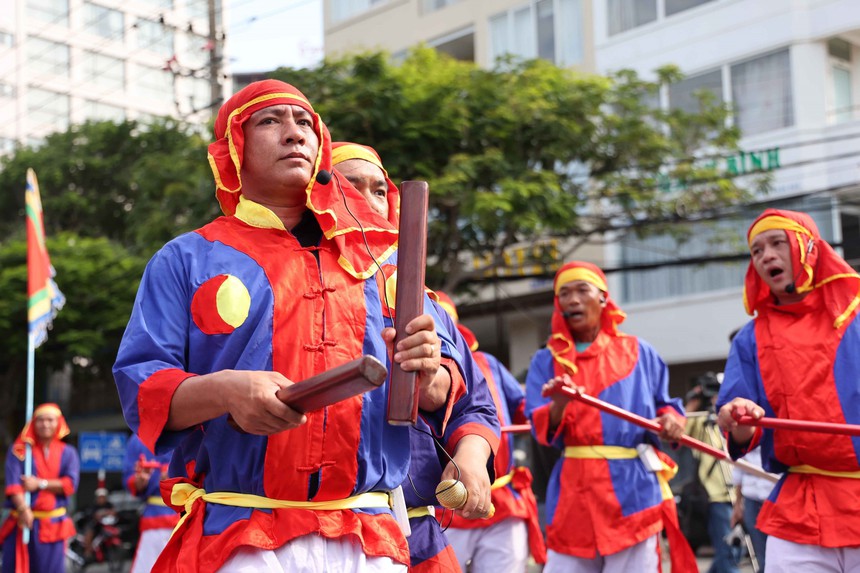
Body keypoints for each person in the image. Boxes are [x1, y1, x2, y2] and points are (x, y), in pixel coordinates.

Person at [113, 79, 496, 573]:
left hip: (371, 538)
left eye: (305, 124)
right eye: (270, 121)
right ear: (234, 149)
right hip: (241, 535)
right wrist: (226, 391)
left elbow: (458, 391)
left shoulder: (382, 268)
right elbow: (140, 384)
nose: (294, 134)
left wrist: (429, 377)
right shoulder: (185, 258)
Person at [331, 141, 501, 572]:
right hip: (329, 529)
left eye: (379, 190)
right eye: (351, 188)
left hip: (421, 530)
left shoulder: (425, 301)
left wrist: (470, 457)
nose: (368, 202)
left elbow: (474, 404)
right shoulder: (298, 291)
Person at [525, 261, 695, 573]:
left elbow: (667, 406)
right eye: (564, 294)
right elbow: (539, 427)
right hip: (573, 493)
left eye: (581, 290)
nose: (572, 300)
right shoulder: (546, 360)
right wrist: (559, 405)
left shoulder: (639, 351)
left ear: (603, 298)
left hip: (632, 489)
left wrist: (672, 422)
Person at [716, 208, 860, 572]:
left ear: (809, 249)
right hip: (800, 506)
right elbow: (742, 432)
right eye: (756, 251)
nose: (766, 256)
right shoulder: (750, 338)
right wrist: (737, 416)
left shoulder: (856, 316)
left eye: (777, 243)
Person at [434, 291, 547, 572]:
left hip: (502, 501)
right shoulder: (412, 370)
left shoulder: (486, 363)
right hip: (446, 503)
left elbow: (525, 408)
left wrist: (548, 400)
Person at [1, 403, 80, 573]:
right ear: (33, 423)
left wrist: (39, 483)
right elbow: (13, 485)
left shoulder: (69, 453)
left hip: (53, 526)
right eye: (40, 420)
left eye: (50, 420)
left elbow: (70, 484)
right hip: (23, 522)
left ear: (59, 423)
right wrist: (23, 508)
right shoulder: (19, 451)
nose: (45, 424)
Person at [684, 375, 741, 573]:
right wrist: (694, 401)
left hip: (739, 492)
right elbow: (678, 430)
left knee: (736, 551)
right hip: (716, 495)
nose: (715, 396)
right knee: (728, 553)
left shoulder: (731, 414)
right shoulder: (700, 419)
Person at [123, 434, 178, 572]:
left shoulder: (192, 430)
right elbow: (130, 480)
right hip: (155, 517)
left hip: (190, 514)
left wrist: (179, 475)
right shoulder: (138, 439)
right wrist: (140, 480)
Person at [731, 446, 775, 573]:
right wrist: (738, 505)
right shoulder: (746, 433)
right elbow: (739, 468)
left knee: (777, 554)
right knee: (762, 557)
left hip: (775, 497)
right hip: (752, 498)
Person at [81, 486, 117, 561]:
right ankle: (88, 551)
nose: (101, 499)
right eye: (100, 497)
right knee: (89, 533)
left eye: (103, 497)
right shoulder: (94, 506)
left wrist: (105, 513)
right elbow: (94, 515)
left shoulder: (109, 505)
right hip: (95, 525)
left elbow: (113, 512)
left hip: (106, 526)